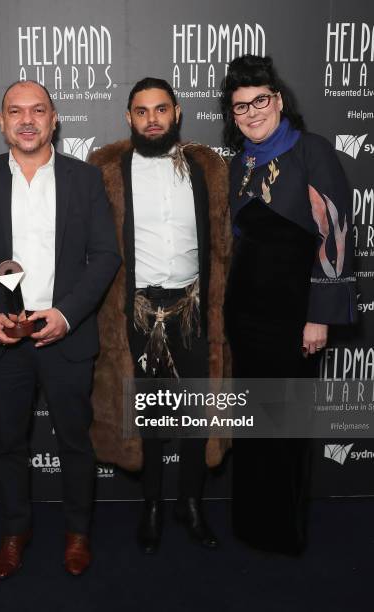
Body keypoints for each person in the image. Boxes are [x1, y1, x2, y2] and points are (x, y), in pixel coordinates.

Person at [0, 80, 120, 578]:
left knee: (75, 441)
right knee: (7, 443)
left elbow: (106, 255)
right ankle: (14, 530)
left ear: (54, 120)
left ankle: (77, 532)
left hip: (65, 335)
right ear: (0, 122)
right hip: (2, 338)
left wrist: (67, 315)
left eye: (38, 110)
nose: (27, 120)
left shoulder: (84, 180)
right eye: (15, 111)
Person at [219, 55, 356, 554]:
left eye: (260, 100)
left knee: (285, 426)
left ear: (278, 101)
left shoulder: (310, 151)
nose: (252, 112)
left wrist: (318, 314)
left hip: (292, 313)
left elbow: (335, 234)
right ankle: (251, 523)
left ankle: (282, 531)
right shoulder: (239, 164)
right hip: (245, 312)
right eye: (240, 106)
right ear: (231, 115)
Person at [89, 77, 231, 554]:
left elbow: (224, 244)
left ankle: (190, 503)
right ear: (128, 117)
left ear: (177, 113)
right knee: (146, 415)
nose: (153, 119)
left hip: (192, 310)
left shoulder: (206, 168)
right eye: (142, 111)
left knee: (195, 413)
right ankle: (151, 504)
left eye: (161, 109)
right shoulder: (106, 170)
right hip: (136, 313)